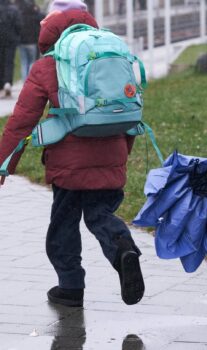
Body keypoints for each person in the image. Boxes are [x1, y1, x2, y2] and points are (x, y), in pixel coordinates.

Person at [0, 0, 145, 307]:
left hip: (68, 164)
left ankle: (70, 287)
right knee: (101, 215)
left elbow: (22, 120)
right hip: (111, 152)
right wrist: (122, 154)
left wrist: (4, 163)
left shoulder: (47, 66)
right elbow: (126, 112)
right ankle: (124, 250)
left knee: (63, 225)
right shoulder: (110, 55)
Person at [16, 0, 45, 81]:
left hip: (22, 42)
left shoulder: (20, 15)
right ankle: (30, 80)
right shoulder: (36, 15)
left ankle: (24, 80)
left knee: (24, 62)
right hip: (32, 42)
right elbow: (43, 18)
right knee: (32, 62)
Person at [0, 0, 22, 97]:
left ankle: (1, 85)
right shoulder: (14, 9)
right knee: (9, 62)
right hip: (11, 40)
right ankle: (7, 82)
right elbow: (19, 25)